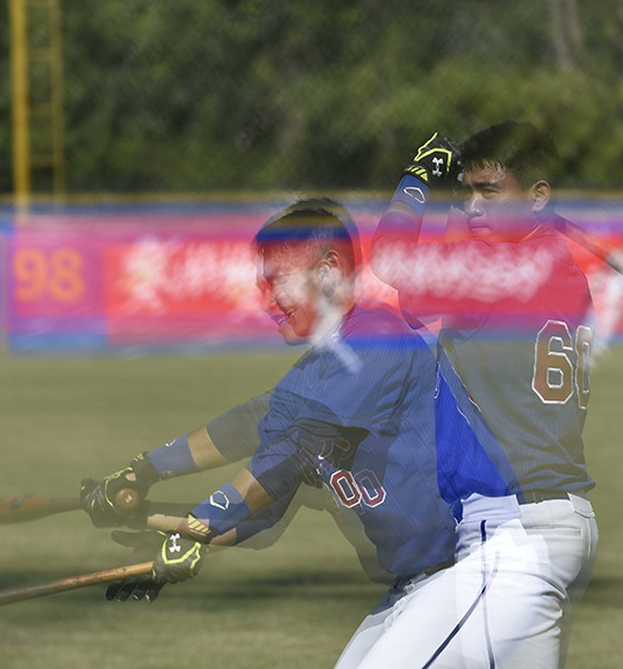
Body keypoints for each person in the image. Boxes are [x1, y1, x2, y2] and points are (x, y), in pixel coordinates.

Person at [78, 200, 470, 657]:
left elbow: (289, 454)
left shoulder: (377, 340)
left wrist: (196, 530)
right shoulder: (313, 375)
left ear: (328, 271)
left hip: (461, 573)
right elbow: (260, 506)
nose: (266, 301)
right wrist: (147, 502)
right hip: (413, 588)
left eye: (277, 281)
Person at [366, 123, 599, 668]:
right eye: (467, 193)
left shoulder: (493, 272)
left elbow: (390, 261)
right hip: (554, 521)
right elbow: (424, 302)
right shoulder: (558, 268)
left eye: (489, 193)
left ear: (538, 196)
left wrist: (416, 180)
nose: (473, 206)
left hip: (511, 533)